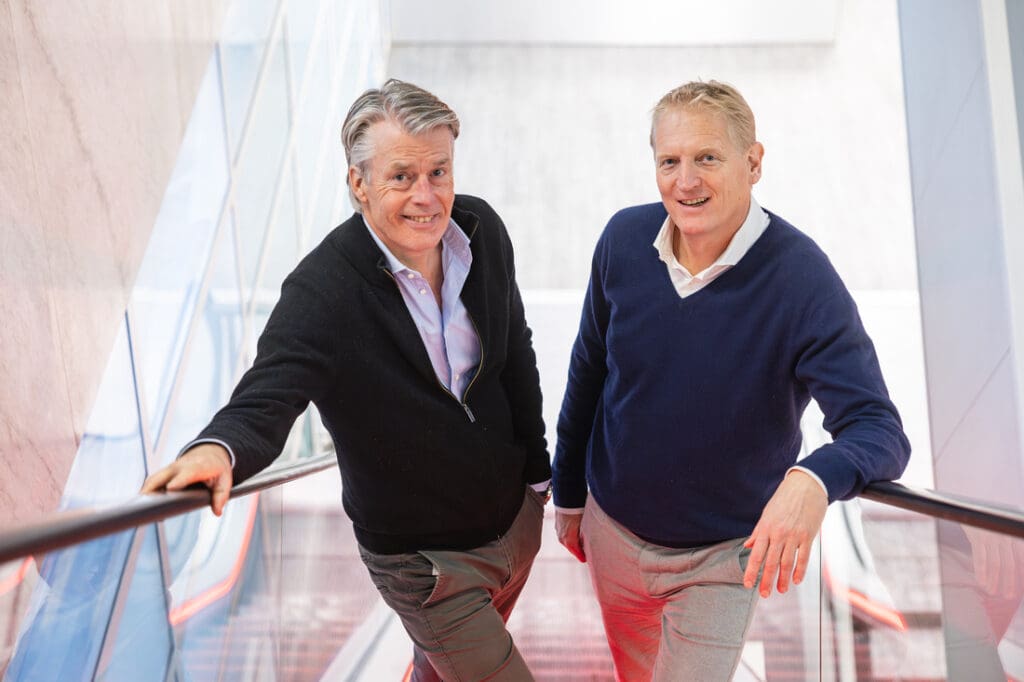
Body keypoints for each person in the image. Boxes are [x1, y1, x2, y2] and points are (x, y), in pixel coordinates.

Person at [142, 79, 551, 682]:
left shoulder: (481, 231)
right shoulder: (324, 289)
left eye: (438, 172)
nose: (426, 196)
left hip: (515, 524)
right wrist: (218, 448)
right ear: (359, 183)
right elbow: (269, 390)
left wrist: (538, 478)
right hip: (425, 564)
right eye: (401, 176)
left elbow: (515, 351)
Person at [552, 80, 911, 680]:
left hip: (719, 560)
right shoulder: (622, 240)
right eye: (669, 161)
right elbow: (588, 370)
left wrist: (812, 480)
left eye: (707, 158)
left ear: (754, 162)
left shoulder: (802, 280)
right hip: (612, 533)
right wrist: (568, 493)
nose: (685, 181)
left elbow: (879, 428)